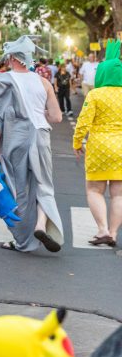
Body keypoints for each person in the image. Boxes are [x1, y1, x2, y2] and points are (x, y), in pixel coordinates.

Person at [0, 36, 64, 253]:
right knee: (44, 185)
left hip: (15, 138)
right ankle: (40, 225)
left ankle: (23, 241)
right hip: (41, 136)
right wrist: (40, 112)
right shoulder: (43, 82)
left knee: (19, 189)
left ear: (11, 58)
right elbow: (57, 117)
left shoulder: (4, 80)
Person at [72, 39, 122, 247]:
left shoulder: (95, 95)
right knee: (118, 193)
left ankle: (102, 229)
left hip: (100, 146)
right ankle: (113, 232)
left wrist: (77, 143)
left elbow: (83, 122)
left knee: (94, 190)